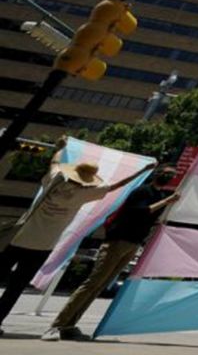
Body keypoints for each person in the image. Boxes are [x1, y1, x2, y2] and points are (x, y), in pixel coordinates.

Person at [0, 143, 154, 336]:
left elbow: (54, 162)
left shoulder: (54, 180)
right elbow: (117, 186)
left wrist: (61, 148)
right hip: (43, 246)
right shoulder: (85, 194)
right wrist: (142, 170)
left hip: (18, 240)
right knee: (15, 287)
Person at [42, 164, 180, 341]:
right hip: (118, 241)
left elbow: (152, 218)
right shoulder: (143, 191)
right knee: (93, 283)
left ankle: (69, 325)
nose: (170, 177)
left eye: (172, 175)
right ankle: (56, 325)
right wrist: (167, 201)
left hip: (133, 243)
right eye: (167, 174)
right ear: (157, 174)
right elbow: (139, 211)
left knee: (100, 285)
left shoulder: (159, 195)